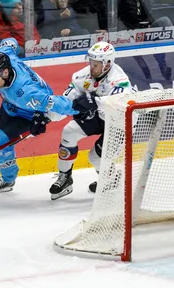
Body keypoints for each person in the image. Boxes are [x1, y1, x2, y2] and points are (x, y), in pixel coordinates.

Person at [0, 38, 78, 207]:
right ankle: (8, 179)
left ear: (5, 73)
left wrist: (81, 109)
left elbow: (57, 103)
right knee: (2, 144)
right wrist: (10, 44)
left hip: (27, 114)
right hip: (9, 107)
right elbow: (9, 42)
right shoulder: (5, 56)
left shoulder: (25, 93)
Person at [49, 42, 135, 200]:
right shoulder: (82, 76)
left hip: (121, 122)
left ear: (108, 64)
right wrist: (48, 116)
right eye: (90, 62)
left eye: (96, 64)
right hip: (99, 116)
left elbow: (118, 106)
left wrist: (95, 101)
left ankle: (110, 180)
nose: (91, 67)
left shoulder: (119, 80)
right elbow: (67, 101)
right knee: (69, 131)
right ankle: (65, 178)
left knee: (95, 157)